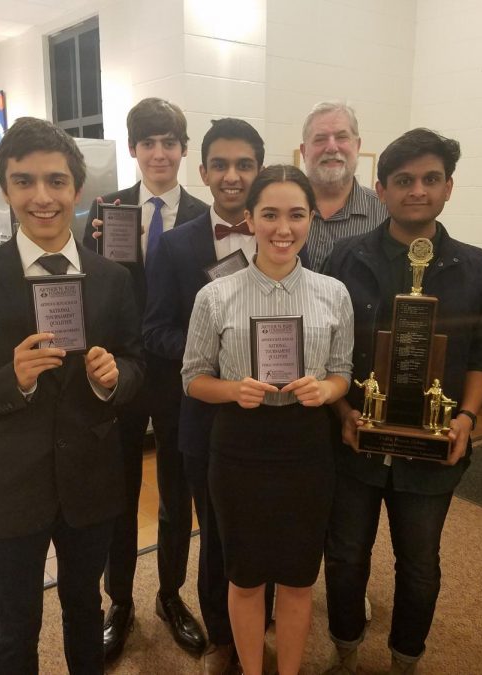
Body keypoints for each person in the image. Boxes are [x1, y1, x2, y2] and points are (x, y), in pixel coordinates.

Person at [0, 117, 144, 673]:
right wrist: (15, 378)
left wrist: (114, 379)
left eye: (56, 181)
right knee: (15, 624)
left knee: (84, 609)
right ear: (5, 189)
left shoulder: (111, 279)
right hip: (10, 485)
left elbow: (137, 365)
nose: (42, 196)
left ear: (77, 191)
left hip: (91, 482)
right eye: (24, 181)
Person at [322, 128, 482, 674]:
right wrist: (343, 411)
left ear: (449, 188)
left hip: (435, 448)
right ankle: (346, 651)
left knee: (419, 561)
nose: (416, 190)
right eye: (403, 181)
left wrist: (467, 416)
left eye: (430, 179)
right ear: (381, 189)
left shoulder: (473, 266)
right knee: (346, 556)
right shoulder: (345, 259)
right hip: (354, 439)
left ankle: (406, 661)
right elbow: (323, 347)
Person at [182, 165, 354, 675]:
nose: (284, 228)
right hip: (239, 445)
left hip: (306, 445)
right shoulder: (216, 295)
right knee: (245, 575)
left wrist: (327, 389)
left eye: (296, 215)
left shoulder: (332, 293)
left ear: (311, 219)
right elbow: (192, 378)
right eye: (271, 214)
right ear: (251, 219)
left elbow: (343, 370)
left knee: (301, 578)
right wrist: (234, 389)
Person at [82, 97, 207, 659]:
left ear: (183, 149)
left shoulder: (208, 219)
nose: (159, 152)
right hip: (123, 370)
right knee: (120, 488)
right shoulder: (107, 210)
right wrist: (89, 243)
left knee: (176, 492)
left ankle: (171, 594)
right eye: (148, 142)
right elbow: (87, 289)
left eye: (169, 141)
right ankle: (121, 601)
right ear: (133, 150)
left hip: (182, 372)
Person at [143, 117, 264, 674]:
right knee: (215, 532)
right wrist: (214, 354)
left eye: (243, 164)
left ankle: (259, 629)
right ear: (203, 170)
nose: (232, 175)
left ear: (258, 170)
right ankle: (222, 637)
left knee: (263, 525)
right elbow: (155, 330)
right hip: (207, 415)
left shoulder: (282, 231)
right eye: (220, 164)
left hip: (273, 416)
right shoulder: (175, 245)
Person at [299, 101, 387, 272]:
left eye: (341, 137)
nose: (332, 147)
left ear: (358, 146)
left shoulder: (386, 213)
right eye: (320, 139)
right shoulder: (280, 211)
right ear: (304, 151)